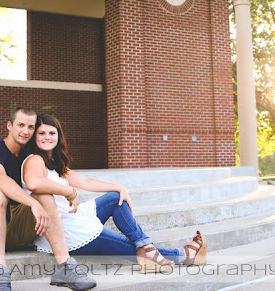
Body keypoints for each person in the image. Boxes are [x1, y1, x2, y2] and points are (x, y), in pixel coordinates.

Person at [20, 114, 207, 273]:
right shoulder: (34, 160)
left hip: (73, 220)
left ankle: (146, 246)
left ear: (59, 137)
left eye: (52, 133)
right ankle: (183, 255)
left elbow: (86, 182)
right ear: (34, 137)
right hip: (66, 233)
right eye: (41, 133)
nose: (47, 137)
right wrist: (70, 192)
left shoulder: (52, 163)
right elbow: (34, 182)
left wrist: (120, 188)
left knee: (115, 198)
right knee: (129, 248)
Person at [0, 107, 96, 291]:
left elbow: (67, 178)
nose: (25, 131)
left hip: (17, 231)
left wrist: (69, 192)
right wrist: (33, 204)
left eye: (30, 127)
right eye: (20, 125)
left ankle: (64, 267)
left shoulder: (29, 156)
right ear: (9, 126)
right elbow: (0, 180)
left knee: (43, 194)